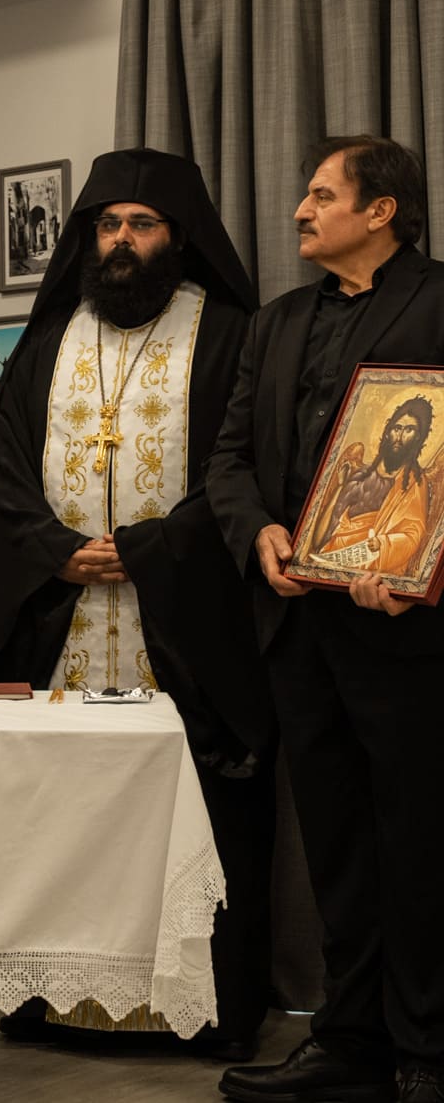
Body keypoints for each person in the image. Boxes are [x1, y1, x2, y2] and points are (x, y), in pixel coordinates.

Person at [0, 147, 274, 1056]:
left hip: (181, 629)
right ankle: (55, 1002)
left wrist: (145, 551)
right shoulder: (48, 341)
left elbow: (242, 472)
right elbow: (3, 475)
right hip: (63, 625)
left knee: (190, 825)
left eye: (141, 223)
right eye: (106, 225)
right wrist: (55, 552)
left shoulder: (228, 336)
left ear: (178, 235)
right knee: (62, 821)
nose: (121, 241)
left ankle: (198, 1012)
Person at [205, 135, 444, 1103]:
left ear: (380, 211)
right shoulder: (275, 324)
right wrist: (258, 532)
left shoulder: (440, 301)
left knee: (420, 841)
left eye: (320, 195)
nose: (300, 211)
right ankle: (349, 1043)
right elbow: (228, 462)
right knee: (336, 845)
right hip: (299, 629)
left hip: (409, 633)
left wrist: (422, 563)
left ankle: (427, 1051)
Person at [313, 397, 432, 569]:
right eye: (397, 428)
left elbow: (413, 535)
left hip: (370, 565)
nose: (399, 437)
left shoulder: (413, 484)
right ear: (388, 432)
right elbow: (320, 538)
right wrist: (340, 487)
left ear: (418, 438)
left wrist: (383, 543)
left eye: (409, 430)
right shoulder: (361, 475)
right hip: (331, 556)